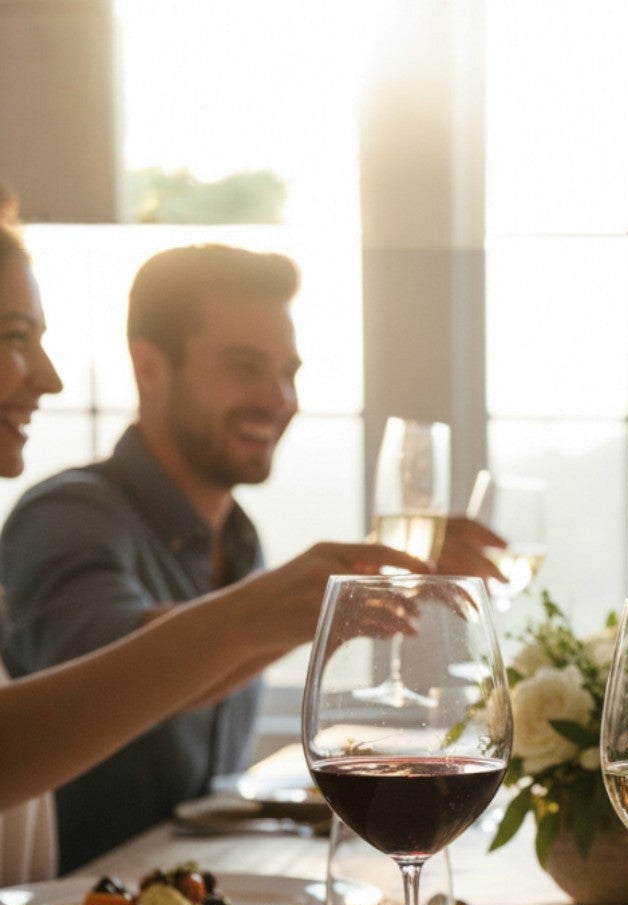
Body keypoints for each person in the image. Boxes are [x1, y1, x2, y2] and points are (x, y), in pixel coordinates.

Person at [0, 241, 500, 871]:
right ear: (149, 368)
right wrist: (281, 609)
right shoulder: (67, 516)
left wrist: (330, 600)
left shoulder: (239, 540)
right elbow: (100, 675)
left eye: (288, 373)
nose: (278, 398)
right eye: (244, 367)